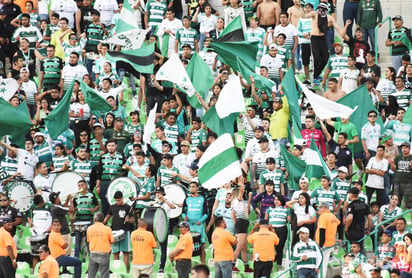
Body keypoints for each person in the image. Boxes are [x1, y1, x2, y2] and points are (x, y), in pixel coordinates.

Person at [103, 191, 132, 272]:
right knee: (115, 252)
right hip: (114, 232)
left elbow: (133, 220)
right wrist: (102, 224)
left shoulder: (128, 207)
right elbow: (107, 217)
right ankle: (116, 271)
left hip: (125, 231)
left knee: (125, 252)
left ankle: (125, 271)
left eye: (119, 200)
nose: (117, 202)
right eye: (116, 200)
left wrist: (129, 219)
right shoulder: (112, 207)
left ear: (122, 198)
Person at [182, 181, 208, 263]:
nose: (191, 188)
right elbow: (183, 212)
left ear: (197, 188)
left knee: (202, 246)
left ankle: (203, 264)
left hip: (199, 226)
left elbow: (206, 213)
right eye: (190, 187)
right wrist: (184, 217)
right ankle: (188, 265)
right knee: (188, 246)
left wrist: (201, 221)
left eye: (193, 187)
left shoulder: (202, 199)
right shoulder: (187, 199)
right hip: (189, 226)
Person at [315, 202, 340, 278]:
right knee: (324, 263)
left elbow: (322, 231)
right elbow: (340, 225)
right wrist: (340, 238)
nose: (318, 209)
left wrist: (321, 245)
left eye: (320, 207)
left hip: (324, 244)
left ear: (325, 208)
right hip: (330, 243)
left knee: (320, 263)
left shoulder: (323, 216)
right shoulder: (332, 216)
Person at [87, 212, 114, 278]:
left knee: (91, 274)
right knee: (104, 274)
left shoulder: (89, 229)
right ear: (103, 220)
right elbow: (112, 241)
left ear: (95, 220)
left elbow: (89, 240)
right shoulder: (107, 229)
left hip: (93, 252)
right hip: (104, 253)